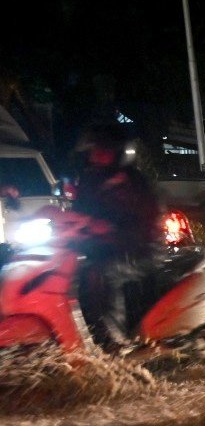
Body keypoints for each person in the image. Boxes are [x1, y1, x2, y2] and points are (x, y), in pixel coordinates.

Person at [73, 124, 161, 351]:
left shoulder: (133, 182)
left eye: (102, 149)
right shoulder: (90, 180)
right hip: (102, 251)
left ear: (119, 151)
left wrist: (113, 232)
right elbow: (78, 214)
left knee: (105, 274)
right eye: (94, 149)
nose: (95, 154)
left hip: (139, 251)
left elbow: (148, 223)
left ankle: (116, 342)